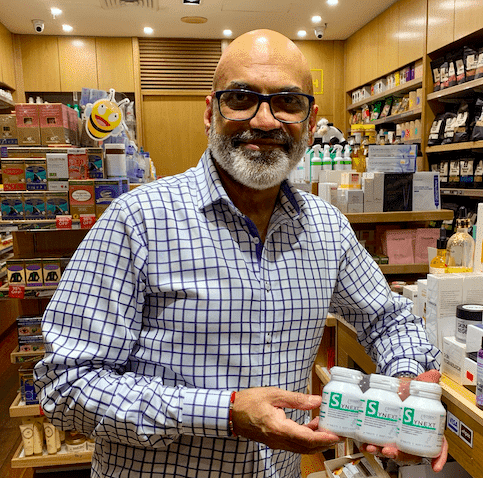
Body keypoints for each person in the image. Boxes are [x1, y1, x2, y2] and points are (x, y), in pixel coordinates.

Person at [34, 29, 447, 478]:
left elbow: (388, 320)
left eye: (288, 102)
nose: (265, 121)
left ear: (311, 122)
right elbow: (64, 386)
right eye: (240, 98)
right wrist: (225, 412)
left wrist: (408, 392)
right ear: (209, 112)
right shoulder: (137, 221)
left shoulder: (328, 228)